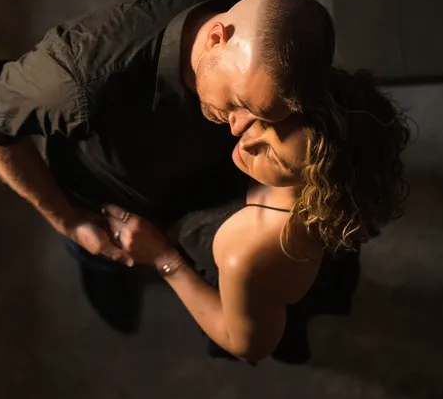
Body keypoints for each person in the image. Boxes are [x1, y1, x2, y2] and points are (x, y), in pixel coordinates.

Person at [0, 0, 335, 336]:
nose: (241, 128)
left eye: (259, 113)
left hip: (206, 188)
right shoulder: (76, 80)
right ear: (215, 38)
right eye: (238, 103)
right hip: (109, 213)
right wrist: (66, 219)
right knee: (114, 295)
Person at [100, 67, 411, 363]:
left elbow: (246, 345)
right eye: (264, 122)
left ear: (316, 187)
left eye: (275, 156)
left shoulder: (253, 252)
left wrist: (164, 260)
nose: (246, 139)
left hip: (261, 279)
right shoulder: (278, 133)